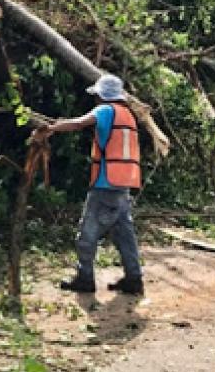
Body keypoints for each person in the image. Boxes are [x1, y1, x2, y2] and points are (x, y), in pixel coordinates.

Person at [35, 74, 144, 295]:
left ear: (102, 96)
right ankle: (134, 279)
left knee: (88, 232)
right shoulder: (128, 115)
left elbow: (78, 123)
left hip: (105, 183)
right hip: (123, 183)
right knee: (124, 234)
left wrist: (51, 128)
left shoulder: (105, 111)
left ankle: (85, 277)